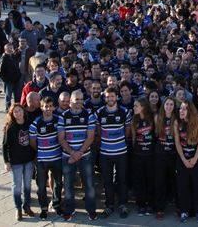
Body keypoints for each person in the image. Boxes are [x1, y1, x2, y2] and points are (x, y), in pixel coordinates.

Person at [58, 90, 98, 222]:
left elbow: (90, 137)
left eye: (82, 99)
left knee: (89, 183)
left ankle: (91, 210)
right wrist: (72, 153)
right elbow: (61, 138)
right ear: (71, 102)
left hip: (85, 155)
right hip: (67, 155)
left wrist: (79, 153)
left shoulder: (89, 115)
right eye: (77, 99)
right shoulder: (63, 116)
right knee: (68, 184)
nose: (80, 102)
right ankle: (69, 210)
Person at [95, 86, 132, 219]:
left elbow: (127, 130)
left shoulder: (125, 112)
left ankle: (123, 205)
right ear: (105, 98)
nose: (110, 98)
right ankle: (109, 205)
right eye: (107, 96)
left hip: (121, 152)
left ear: (116, 97)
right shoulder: (99, 113)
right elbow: (98, 131)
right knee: (107, 180)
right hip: (105, 153)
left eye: (112, 96)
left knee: (122, 180)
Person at [29, 96, 63, 219]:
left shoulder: (59, 120)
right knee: (41, 185)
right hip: (42, 160)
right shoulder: (36, 123)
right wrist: (41, 151)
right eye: (45, 106)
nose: (47, 109)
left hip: (57, 158)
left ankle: (56, 204)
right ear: (41, 107)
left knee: (58, 183)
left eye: (50, 106)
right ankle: (43, 208)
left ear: (54, 107)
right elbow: (33, 142)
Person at [174, 100, 198, 223]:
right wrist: (184, 160)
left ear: (190, 111)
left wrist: (195, 158)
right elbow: (177, 142)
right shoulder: (177, 122)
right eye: (180, 108)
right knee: (183, 186)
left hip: (196, 158)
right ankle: (184, 211)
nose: (181, 111)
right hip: (182, 159)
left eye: (184, 109)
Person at [3, 103, 36, 221]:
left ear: (23, 111)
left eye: (19, 110)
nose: (18, 113)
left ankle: (27, 206)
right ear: (12, 114)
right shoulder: (10, 127)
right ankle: (18, 208)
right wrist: (6, 161)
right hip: (16, 161)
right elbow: (5, 145)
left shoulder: (29, 123)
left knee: (27, 185)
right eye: (15, 111)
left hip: (28, 160)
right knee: (17, 186)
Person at [154, 96, 178, 220]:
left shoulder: (177, 118)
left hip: (173, 154)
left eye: (171, 105)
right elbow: (155, 136)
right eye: (167, 104)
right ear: (163, 105)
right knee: (160, 181)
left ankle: (179, 206)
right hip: (160, 154)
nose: (169, 107)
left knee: (175, 180)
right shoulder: (158, 117)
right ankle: (159, 208)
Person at [130, 98, 156, 216]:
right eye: (134, 106)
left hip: (150, 155)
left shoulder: (152, 119)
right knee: (139, 180)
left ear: (143, 107)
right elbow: (134, 138)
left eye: (136, 106)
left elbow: (156, 135)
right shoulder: (134, 121)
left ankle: (150, 203)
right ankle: (141, 204)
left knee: (150, 180)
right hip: (138, 155)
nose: (134, 108)